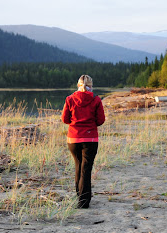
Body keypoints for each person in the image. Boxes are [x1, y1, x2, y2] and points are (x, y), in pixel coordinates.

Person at [61, 74, 105, 208]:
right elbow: (100, 120)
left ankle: (79, 196)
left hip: (73, 139)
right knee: (86, 169)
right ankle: (84, 202)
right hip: (90, 139)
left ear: (78, 85)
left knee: (78, 166)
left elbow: (65, 119)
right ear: (91, 86)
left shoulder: (70, 99)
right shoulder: (96, 100)